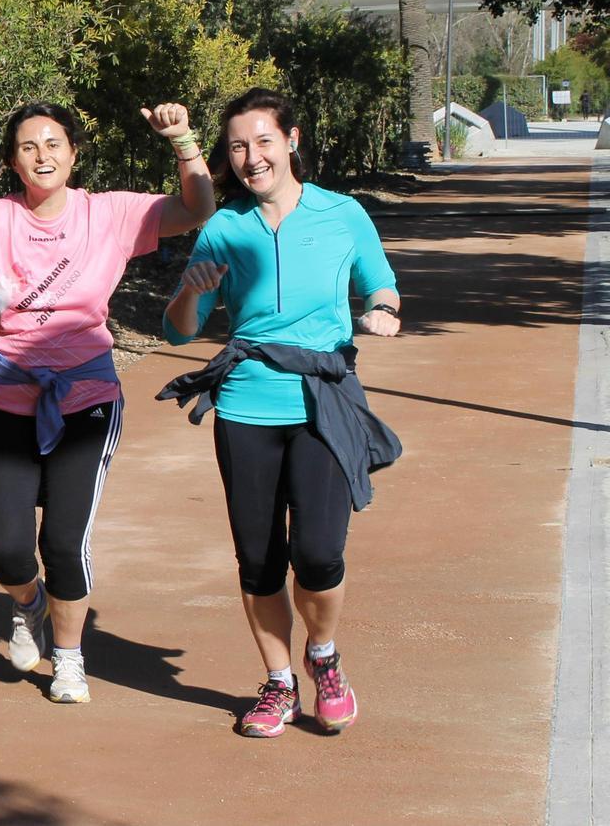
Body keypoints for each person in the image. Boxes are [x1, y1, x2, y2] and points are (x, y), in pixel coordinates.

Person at [0, 101, 215, 703]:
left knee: (64, 541)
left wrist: (183, 140)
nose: (42, 156)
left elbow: (196, 208)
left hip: (86, 396)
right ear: (14, 162)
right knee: (7, 550)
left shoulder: (109, 214)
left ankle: (68, 659)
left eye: (54, 143)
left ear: (74, 153)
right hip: (3, 394)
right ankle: (27, 601)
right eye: (29, 147)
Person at [158, 87, 401, 738]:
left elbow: (380, 281)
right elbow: (180, 330)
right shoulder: (225, 227)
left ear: (291, 140)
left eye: (263, 140)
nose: (251, 156)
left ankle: (323, 654)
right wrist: (191, 292)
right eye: (238, 146)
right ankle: (278, 682)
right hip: (246, 403)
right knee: (259, 560)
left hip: (323, 400)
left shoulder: (342, 213)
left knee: (318, 554)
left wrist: (383, 310)